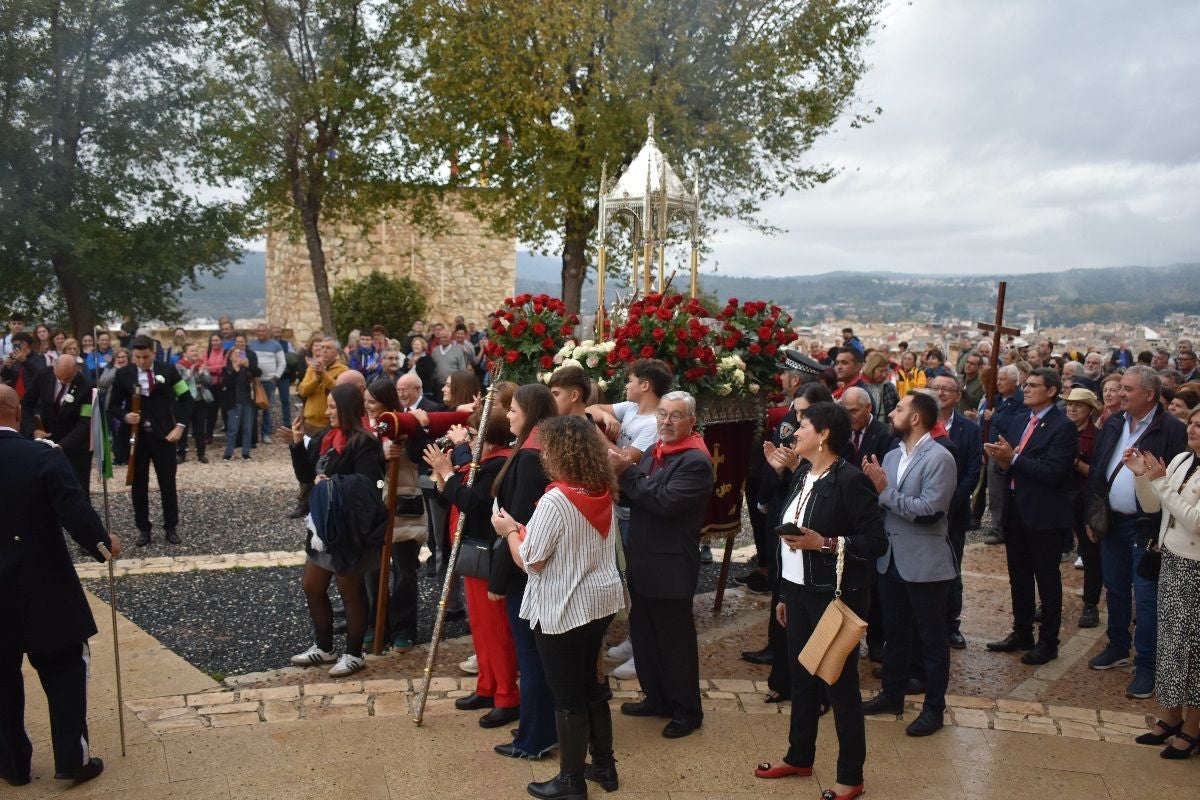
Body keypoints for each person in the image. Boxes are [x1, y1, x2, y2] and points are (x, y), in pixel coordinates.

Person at [753, 401, 887, 799]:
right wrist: (783, 594)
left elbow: (875, 542)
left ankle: (851, 776)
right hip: (797, 593)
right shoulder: (804, 475)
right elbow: (787, 536)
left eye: (803, 426)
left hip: (833, 597)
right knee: (801, 678)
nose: (795, 433)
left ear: (825, 434)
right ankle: (799, 756)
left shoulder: (848, 480)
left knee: (838, 685)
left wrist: (824, 543)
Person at [493, 415, 624, 799]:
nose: (544, 453)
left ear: (562, 452)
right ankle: (604, 765)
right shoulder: (600, 487)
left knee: (567, 694)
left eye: (548, 447)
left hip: (563, 606)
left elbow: (530, 560)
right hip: (598, 601)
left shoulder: (556, 497)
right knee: (591, 685)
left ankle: (570, 781)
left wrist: (511, 531)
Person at [0, 385, 122, 786]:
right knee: (66, 670)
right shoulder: (41, 455)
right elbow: (74, 510)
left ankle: (12, 766)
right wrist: (104, 546)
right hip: (43, 585)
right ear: (17, 414)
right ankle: (72, 758)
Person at [610, 391, 713, 739]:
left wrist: (625, 472)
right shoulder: (659, 453)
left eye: (675, 416)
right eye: (663, 415)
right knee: (645, 635)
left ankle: (687, 711)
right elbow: (639, 494)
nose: (666, 422)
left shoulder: (695, 461)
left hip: (669, 567)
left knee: (674, 643)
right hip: (645, 561)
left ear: (691, 421)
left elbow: (663, 501)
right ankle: (656, 698)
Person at [1086, 365, 1186, 698]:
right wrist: (1093, 514)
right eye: (1120, 387)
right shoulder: (1114, 422)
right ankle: (1117, 646)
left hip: (1145, 527)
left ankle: (1147, 666)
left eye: (1128, 389)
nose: (1120, 393)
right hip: (1112, 521)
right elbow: (1099, 468)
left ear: (1149, 394)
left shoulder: (1170, 428)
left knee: (1145, 597)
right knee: (1114, 587)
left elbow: (1173, 479)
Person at [860, 391, 957, 736]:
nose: (893, 412)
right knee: (894, 635)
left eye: (900, 409)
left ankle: (934, 708)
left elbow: (929, 511)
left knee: (931, 639)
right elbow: (881, 503)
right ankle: (892, 693)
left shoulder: (940, 458)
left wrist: (884, 492)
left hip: (925, 563)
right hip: (891, 561)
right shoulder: (889, 455)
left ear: (915, 418)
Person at [426, 404, 519, 727]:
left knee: (497, 629)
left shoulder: (499, 464)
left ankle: (507, 695)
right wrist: (444, 475)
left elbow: (473, 503)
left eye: (475, 435)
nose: (470, 441)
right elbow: (453, 497)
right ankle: (487, 685)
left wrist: (449, 473)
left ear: (490, 438)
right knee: (480, 625)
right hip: (471, 551)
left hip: (488, 554)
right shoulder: (482, 462)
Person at [285, 384, 386, 678]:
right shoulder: (324, 439)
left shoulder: (365, 443)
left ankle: (354, 653)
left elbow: (369, 485)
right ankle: (325, 647)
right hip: (322, 525)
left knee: (349, 591)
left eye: (331, 407)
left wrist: (331, 483)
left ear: (345, 408)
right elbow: (307, 476)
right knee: (312, 587)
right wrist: (295, 444)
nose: (327, 412)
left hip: (350, 529)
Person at [984, 368, 1078, 664]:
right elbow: (1010, 462)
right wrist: (1002, 461)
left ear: (1051, 391)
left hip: (1044, 513)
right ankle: (1021, 631)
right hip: (1016, 508)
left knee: (1047, 580)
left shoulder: (1062, 427)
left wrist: (1011, 459)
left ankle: (1048, 642)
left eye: (1034, 386)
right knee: (1019, 575)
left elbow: (1054, 473)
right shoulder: (1021, 420)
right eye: (1025, 385)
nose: (1026, 389)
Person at [489, 383, 559, 759]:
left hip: (525, 569)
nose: (508, 415)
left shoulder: (531, 456)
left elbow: (514, 521)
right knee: (535, 656)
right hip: (532, 564)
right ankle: (539, 725)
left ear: (529, 412)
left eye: (513, 409)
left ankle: (535, 737)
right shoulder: (538, 446)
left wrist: (498, 579)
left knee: (531, 657)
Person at [1126, 406, 1200, 758]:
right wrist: (1142, 476)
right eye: (1193, 424)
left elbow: (1195, 521)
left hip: (1196, 569)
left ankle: (1192, 727)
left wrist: (1159, 482)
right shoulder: (1184, 458)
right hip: (1172, 560)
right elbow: (1155, 506)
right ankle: (1170, 716)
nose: (1194, 429)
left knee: (1195, 651)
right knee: (1170, 643)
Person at [107, 335, 194, 547]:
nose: (141, 361)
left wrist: (180, 427)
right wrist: (126, 416)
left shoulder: (168, 370)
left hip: (164, 435)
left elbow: (187, 400)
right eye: (137, 357)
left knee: (167, 483)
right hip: (137, 438)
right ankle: (143, 529)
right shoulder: (123, 373)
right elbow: (113, 406)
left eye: (145, 357)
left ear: (153, 353)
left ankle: (171, 527)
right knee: (138, 485)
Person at [927, 373, 983, 649]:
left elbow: (973, 470)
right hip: (923, 511)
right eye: (935, 387)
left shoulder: (969, 429)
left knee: (952, 568)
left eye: (946, 389)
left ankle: (951, 624)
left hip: (954, 511)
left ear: (958, 396)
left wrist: (952, 500)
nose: (940, 392)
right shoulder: (922, 423)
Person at [21, 355, 95, 493]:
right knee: (48, 488)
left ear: (76, 370)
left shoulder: (87, 386)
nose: (62, 381)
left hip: (75, 447)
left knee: (77, 489)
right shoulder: (43, 374)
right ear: (54, 366)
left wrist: (62, 445)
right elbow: (26, 404)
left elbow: (85, 423)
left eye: (67, 378)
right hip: (47, 440)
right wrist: (34, 429)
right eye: (59, 377)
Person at [1063, 388, 1102, 628]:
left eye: (1078, 405)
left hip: (1085, 501)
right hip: (1058, 499)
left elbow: (1097, 474)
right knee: (1049, 554)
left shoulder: (1097, 437)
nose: (1072, 408)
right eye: (1069, 404)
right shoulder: (1058, 431)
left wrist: (1075, 462)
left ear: (1090, 409)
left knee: (1090, 555)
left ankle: (1090, 605)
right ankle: (1047, 601)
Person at [221, 335, 261, 461]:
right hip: (233, 402)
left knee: (247, 428)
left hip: (247, 401)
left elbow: (258, 372)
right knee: (233, 428)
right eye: (236, 353)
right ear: (230, 356)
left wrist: (247, 366)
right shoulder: (226, 369)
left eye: (240, 353)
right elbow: (227, 383)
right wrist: (236, 369)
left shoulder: (247, 369)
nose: (238, 355)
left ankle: (246, 452)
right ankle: (228, 453)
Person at [175, 343, 211, 464]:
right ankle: (181, 453)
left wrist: (201, 375)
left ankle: (201, 453)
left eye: (196, 351)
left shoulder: (201, 365)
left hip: (199, 400)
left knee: (200, 428)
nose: (195, 353)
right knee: (183, 428)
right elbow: (177, 383)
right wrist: (189, 374)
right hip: (184, 401)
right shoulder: (179, 366)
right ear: (185, 353)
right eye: (192, 351)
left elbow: (209, 381)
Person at [249, 322, 285, 443]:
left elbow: (282, 363)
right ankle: (252, 436)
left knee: (267, 409)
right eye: (259, 331)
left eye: (263, 331)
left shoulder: (276, 345)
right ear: (256, 332)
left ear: (268, 332)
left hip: (269, 382)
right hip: (254, 382)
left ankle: (266, 434)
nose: (261, 333)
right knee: (252, 409)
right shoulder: (250, 344)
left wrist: (276, 377)